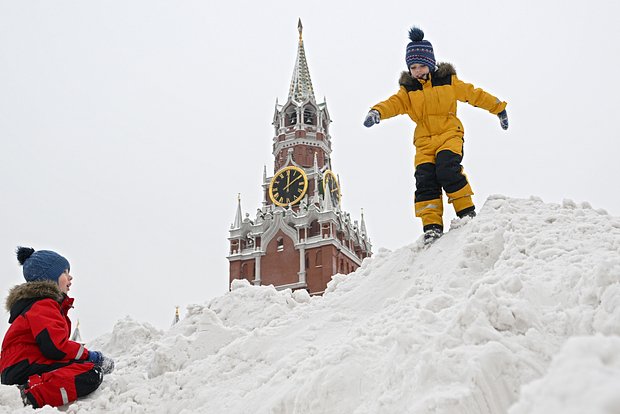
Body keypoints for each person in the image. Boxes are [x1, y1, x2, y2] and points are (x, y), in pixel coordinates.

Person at [364, 27, 508, 243]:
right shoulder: (408, 90)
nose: (418, 70)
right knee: (425, 180)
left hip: (450, 133)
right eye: (413, 67)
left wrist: (498, 108)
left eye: (422, 65)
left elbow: (474, 95)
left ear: (430, 64)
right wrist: (377, 111)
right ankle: (431, 226)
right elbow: (393, 104)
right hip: (424, 142)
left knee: (447, 169)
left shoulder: (448, 81)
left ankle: (466, 212)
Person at [1, 247, 114, 408]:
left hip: (21, 366)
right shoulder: (43, 305)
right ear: (50, 278)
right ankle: (29, 395)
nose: (70, 277)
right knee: (91, 372)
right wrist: (91, 356)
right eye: (65, 272)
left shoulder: (39, 306)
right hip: (23, 366)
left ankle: (32, 387)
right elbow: (55, 347)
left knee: (79, 368)